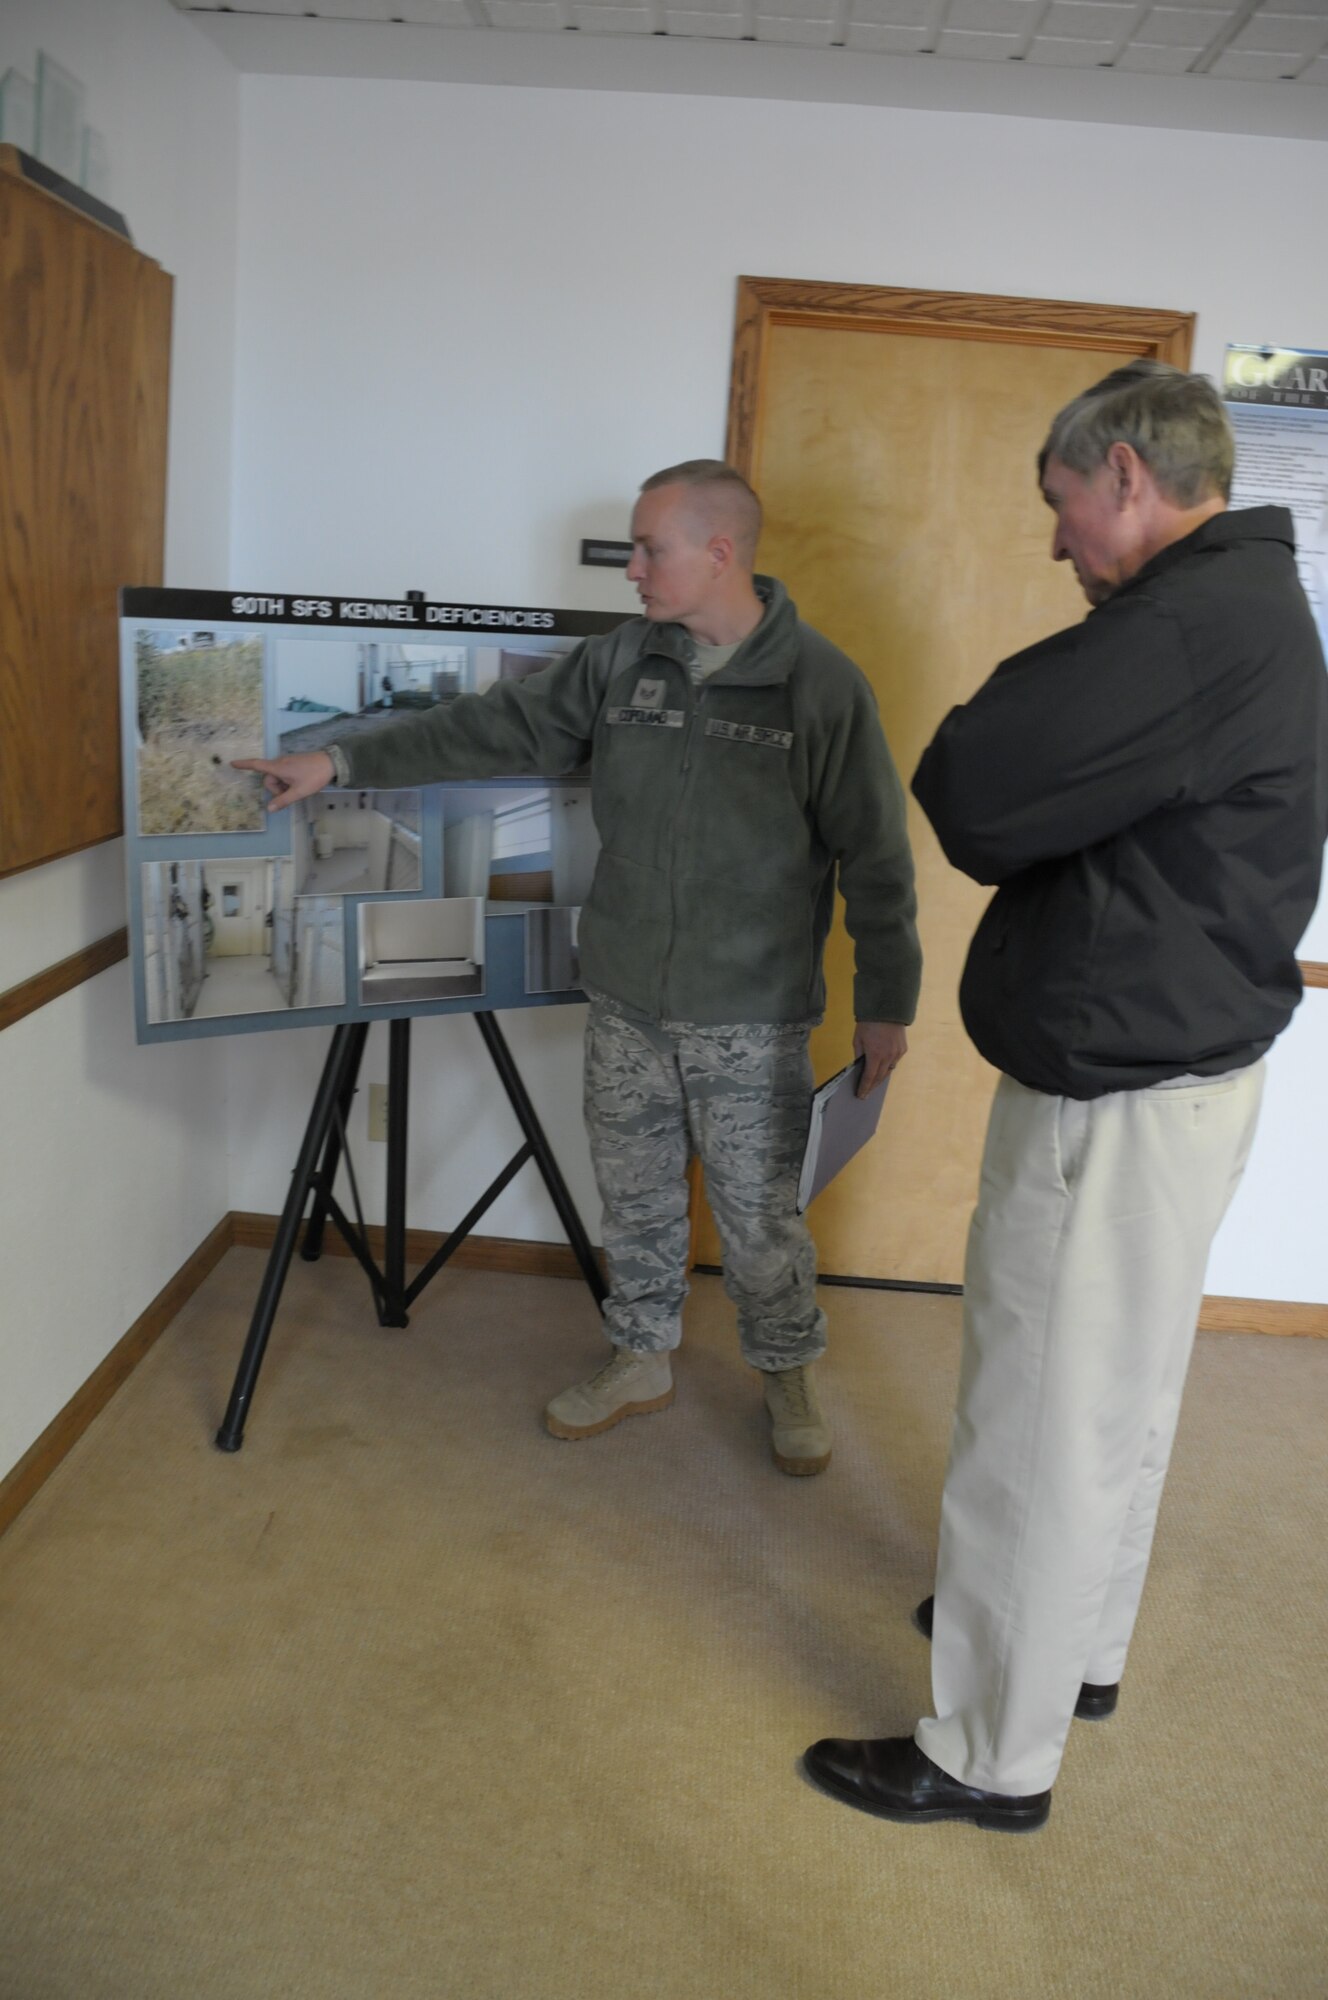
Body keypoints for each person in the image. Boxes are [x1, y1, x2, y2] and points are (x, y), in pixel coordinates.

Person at [803, 361, 1328, 1829]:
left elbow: (972, 779)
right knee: (1116, 1400)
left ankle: (985, 1752)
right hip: (1181, 1077)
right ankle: (1071, 1653)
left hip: (1120, 1097)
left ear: (1122, 477)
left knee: (1039, 1421)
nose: (1054, 544)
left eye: (1059, 507)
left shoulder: (1188, 624)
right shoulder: (1246, 610)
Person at [236, 460, 921, 1474]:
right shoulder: (619, 664)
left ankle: (783, 1370)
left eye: (651, 548)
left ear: (719, 552)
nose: (632, 568)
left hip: (751, 1012)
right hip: (626, 1000)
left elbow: (875, 859)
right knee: (634, 1197)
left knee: (758, 1217)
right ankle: (639, 1354)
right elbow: (490, 725)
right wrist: (338, 761)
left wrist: (883, 1005)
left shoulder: (818, 685)